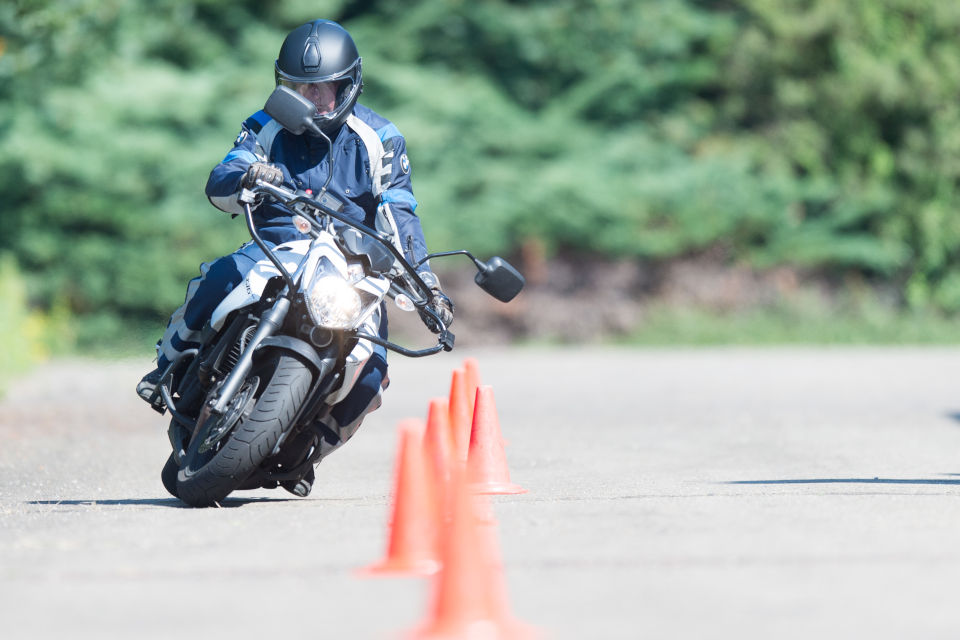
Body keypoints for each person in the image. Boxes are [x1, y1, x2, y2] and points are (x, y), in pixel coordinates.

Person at [136, 19, 453, 496]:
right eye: (300, 85)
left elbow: (400, 211)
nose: (313, 96)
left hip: (354, 266)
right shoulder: (265, 125)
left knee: (372, 372)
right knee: (224, 274)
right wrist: (247, 174)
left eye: (324, 87)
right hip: (280, 247)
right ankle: (169, 361)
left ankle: (310, 451)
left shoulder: (380, 137)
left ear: (348, 84)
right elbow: (225, 172)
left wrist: (426, 282)